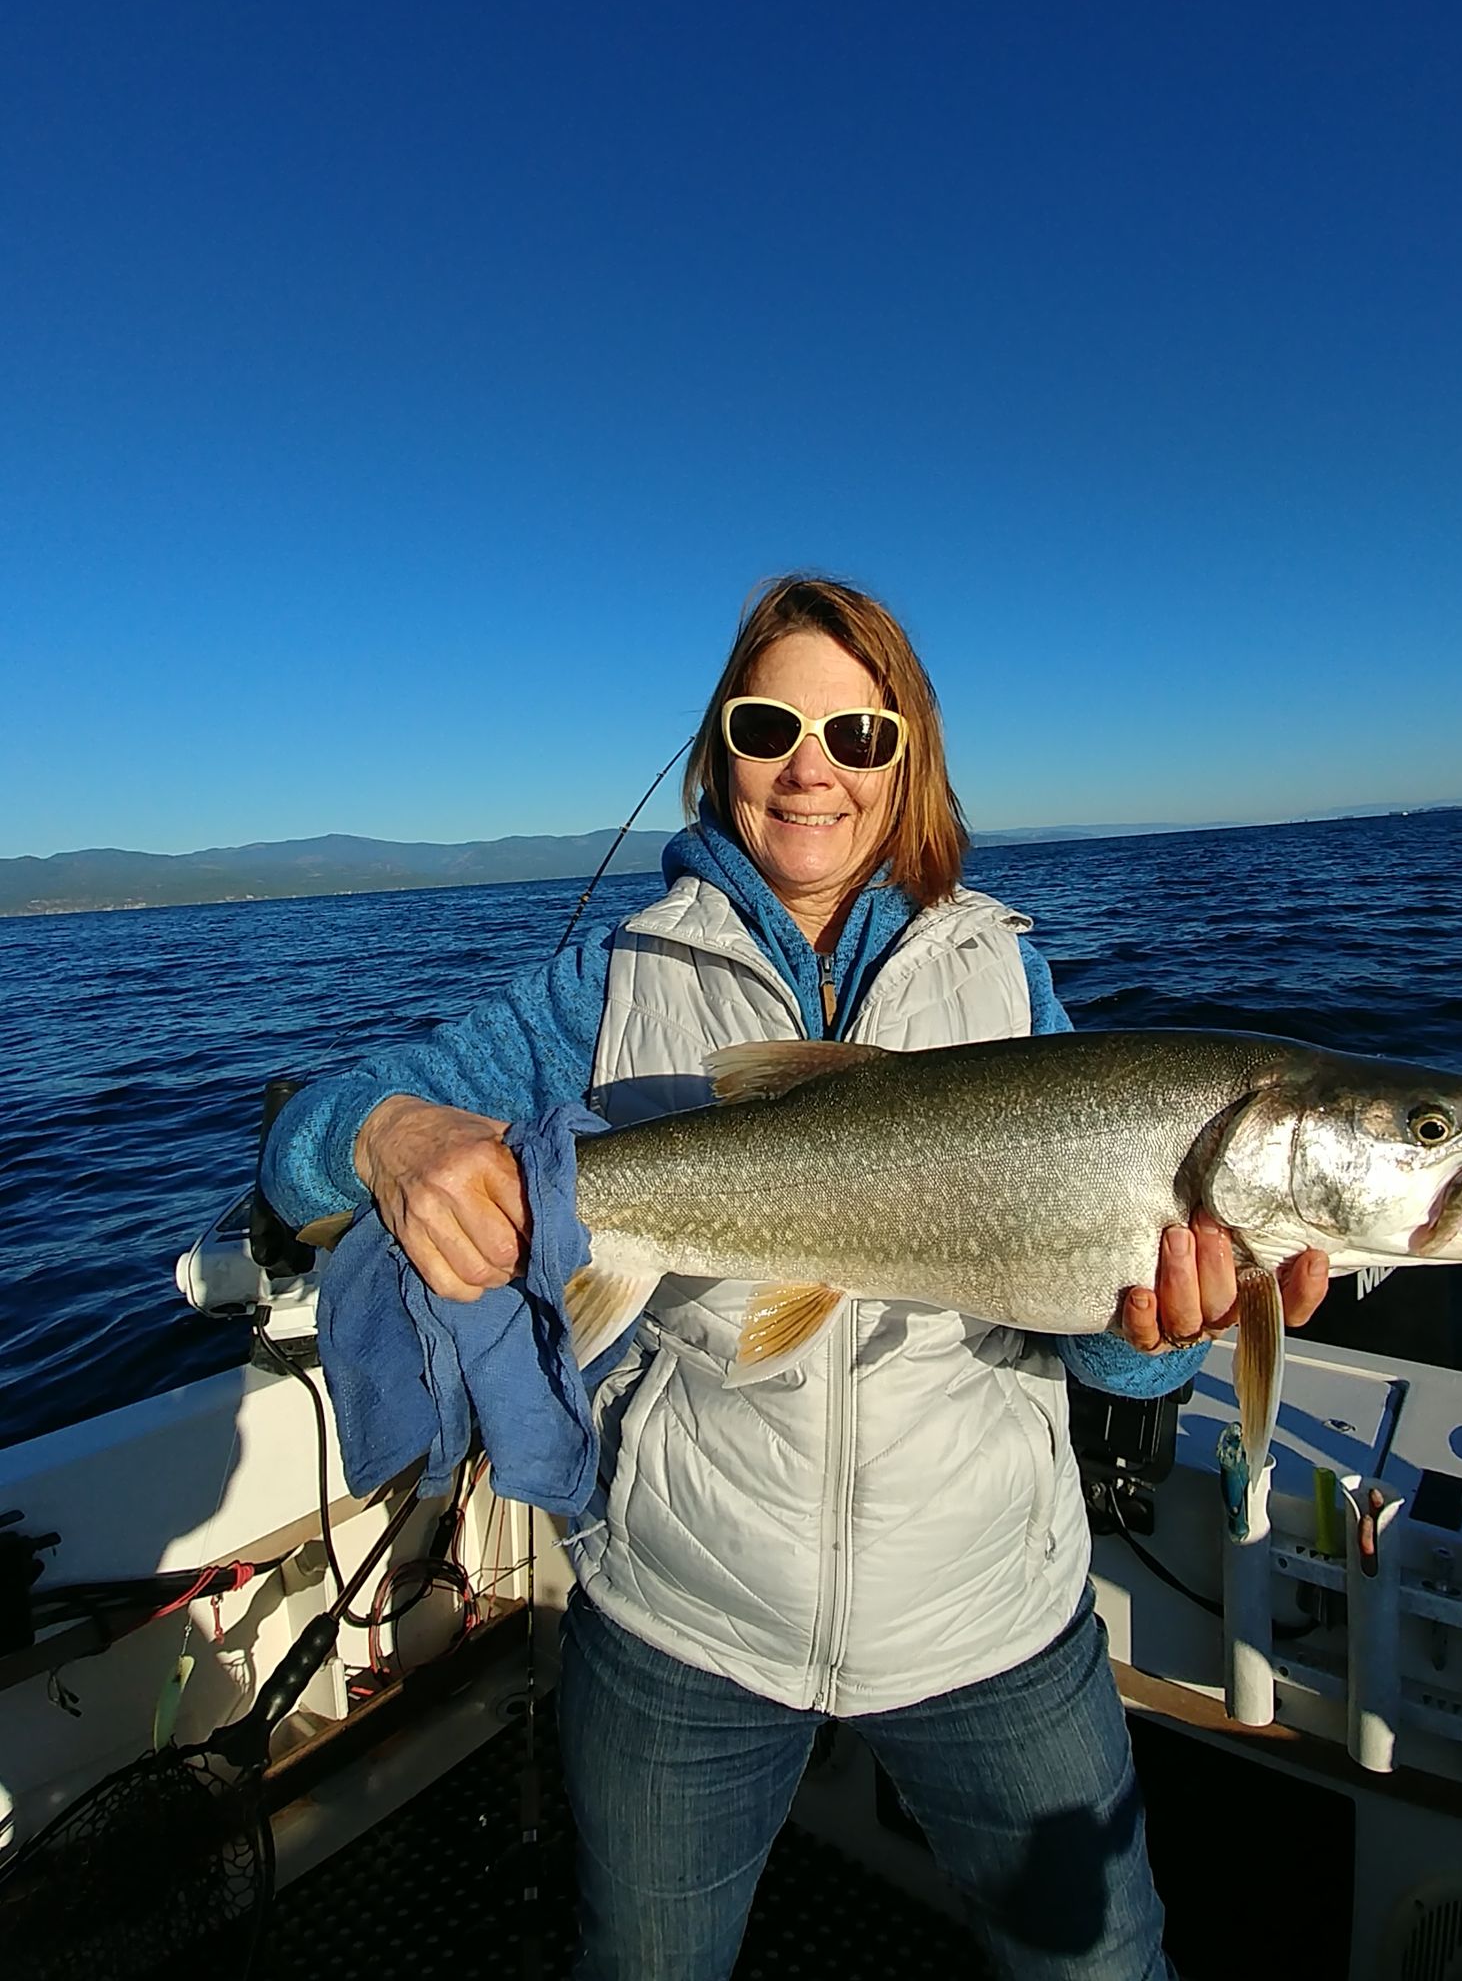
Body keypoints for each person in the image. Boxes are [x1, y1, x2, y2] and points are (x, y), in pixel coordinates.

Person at [264, 575, 1329, 1980]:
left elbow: (1111, 1354)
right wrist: (387, 1131)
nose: (812, 766)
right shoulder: (610, 980)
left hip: (989, 1614)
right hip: (681, 1613)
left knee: (1105, 1963)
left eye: (860, 734)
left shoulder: (1009, 981)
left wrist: (1160, 1335)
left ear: (910, 760)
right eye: (772, 725)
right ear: (723, 750)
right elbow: (299, 1154)